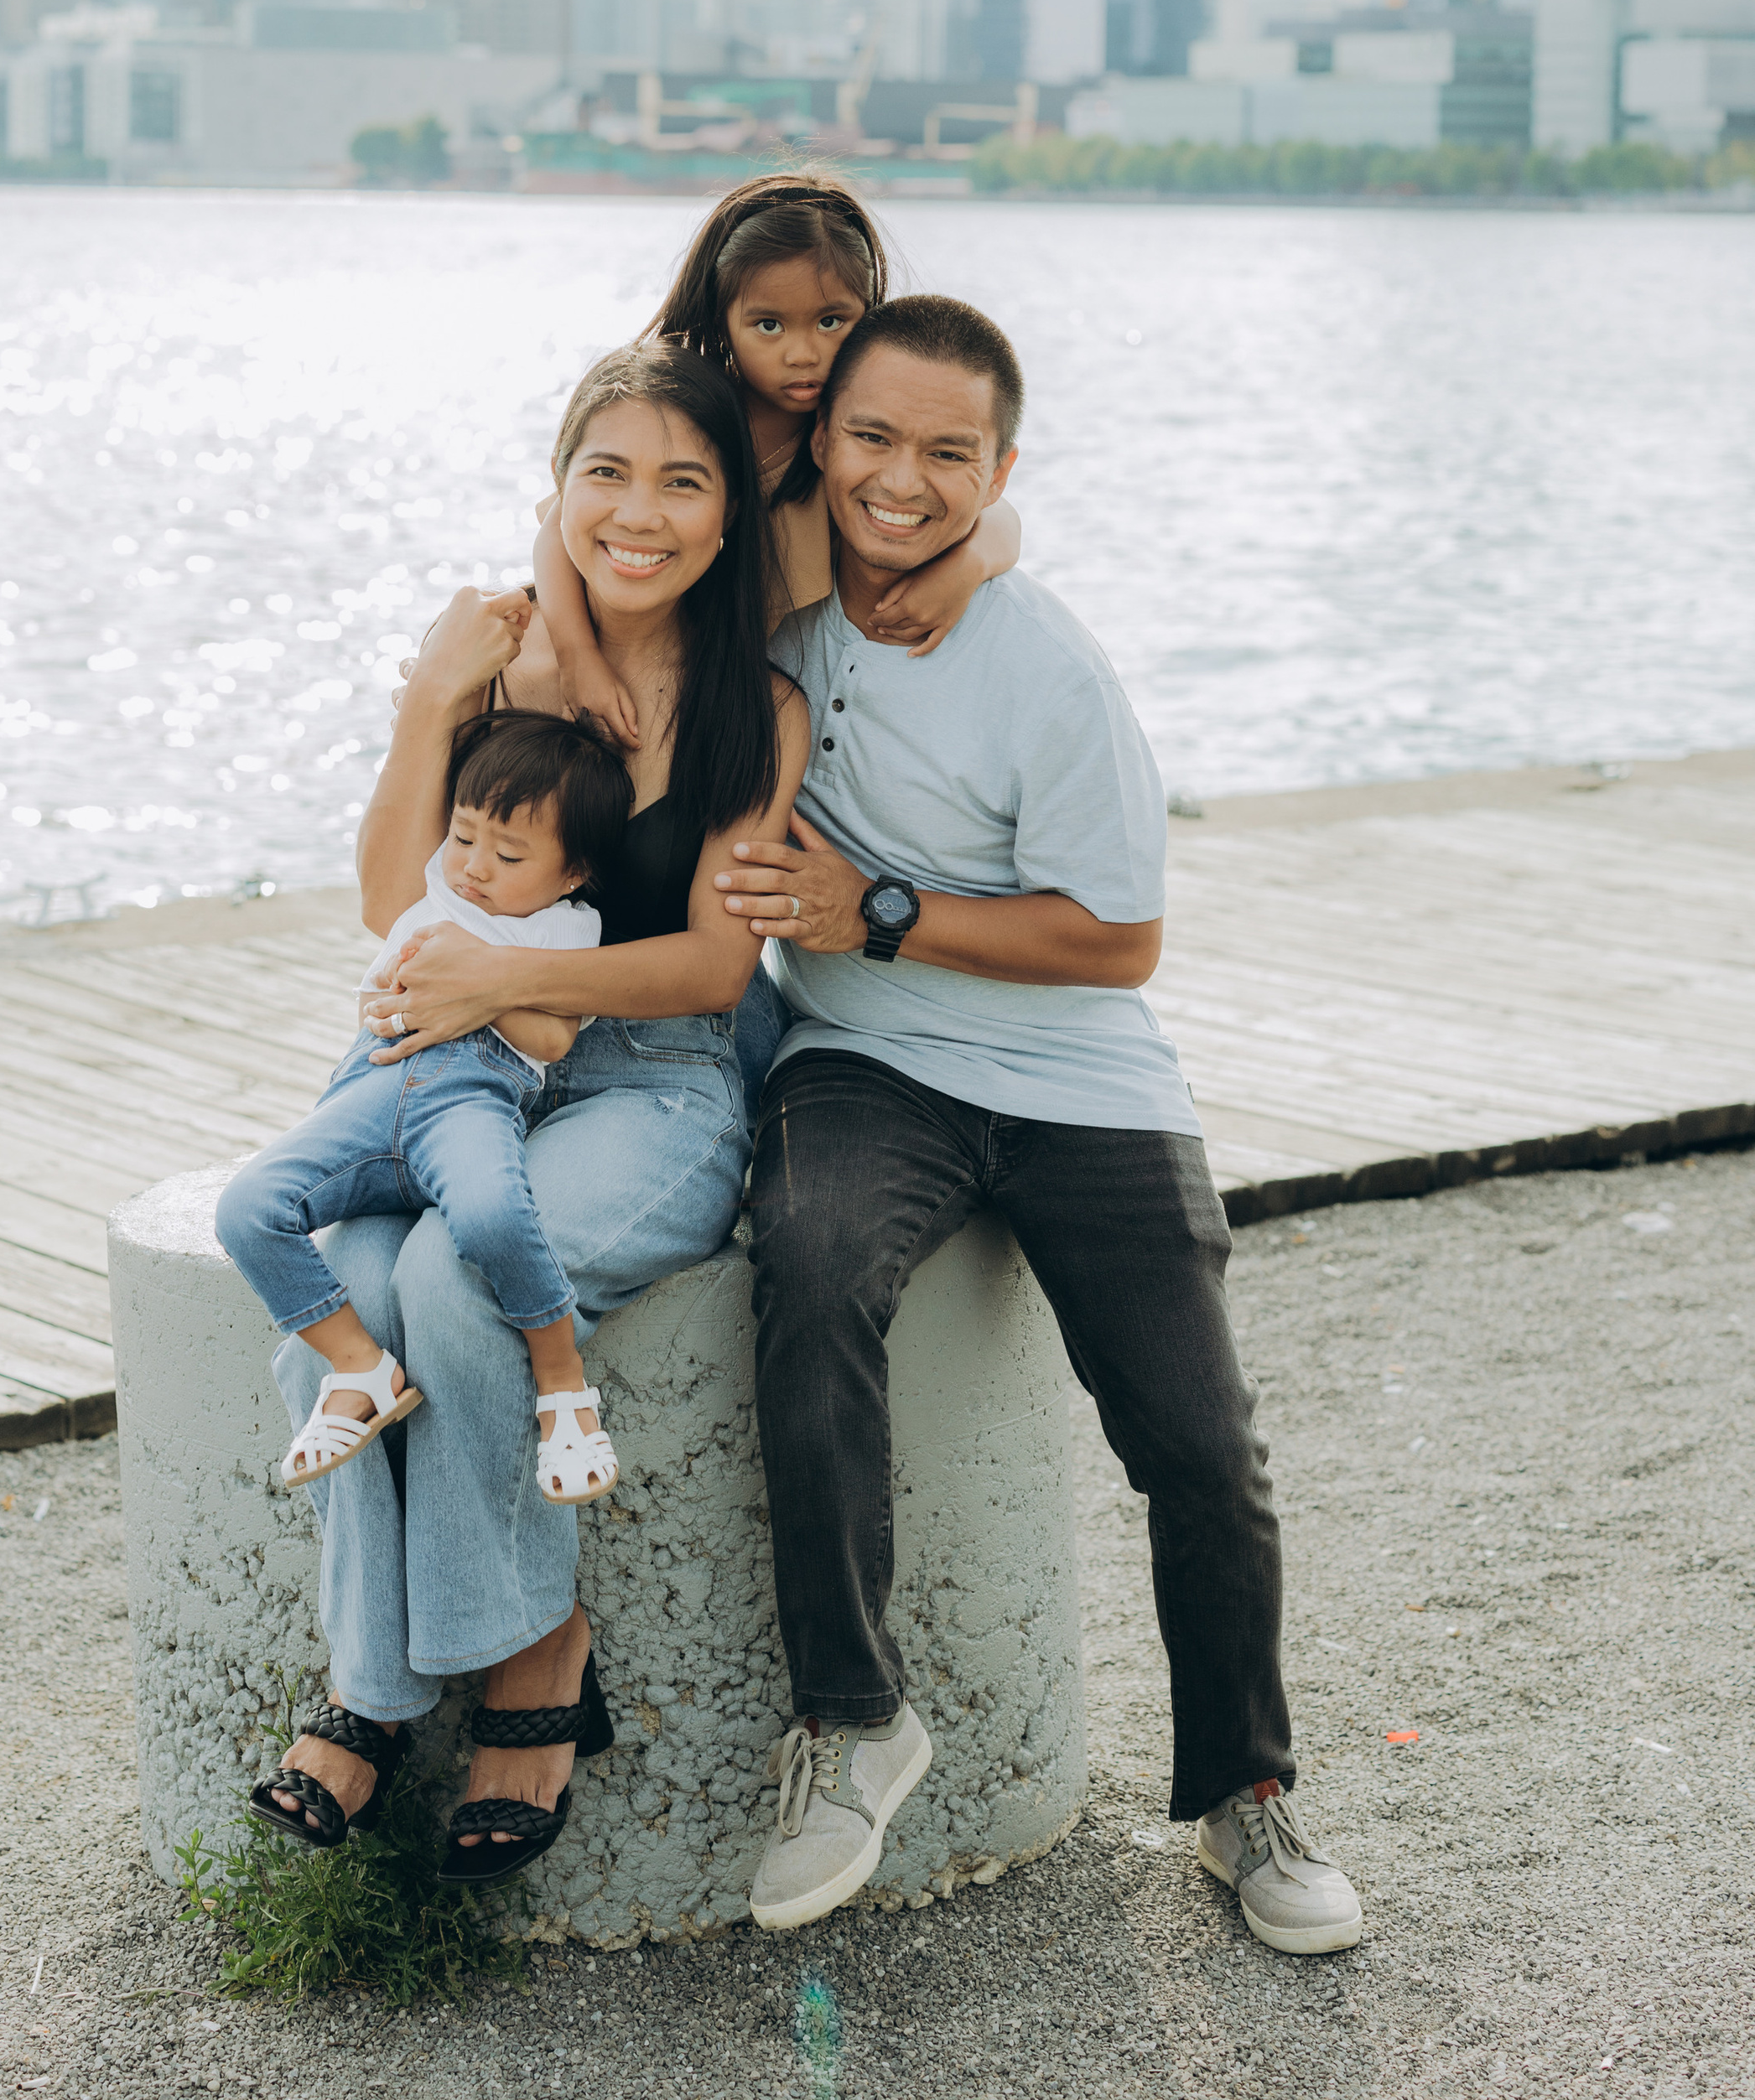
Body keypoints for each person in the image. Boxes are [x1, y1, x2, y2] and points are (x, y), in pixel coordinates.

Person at [721, 293, 1363, 1957]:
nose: (902, 482)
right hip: (861, 1063)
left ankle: (1245, 1798)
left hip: (1077, 1071)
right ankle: (852, 1721)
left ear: (1001, 468)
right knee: (802, 1263)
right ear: (821, 442)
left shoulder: (1046, 665)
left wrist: (873, 908)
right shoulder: (772, 607)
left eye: (949, 455)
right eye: (870, 438)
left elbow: (1116, 938)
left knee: (1199, 1445)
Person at [242, 340, 813, 1880]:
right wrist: (428, 703)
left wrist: (504, 983)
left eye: (684, 482)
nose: (640, 513)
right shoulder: (496, 661)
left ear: (726, 519)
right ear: (557, 492)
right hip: (449, 1057)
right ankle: (371, 1680)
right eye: (606, 474)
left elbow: (708, 965)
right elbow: (390, 898)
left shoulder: (756, 706)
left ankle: (537, 1651)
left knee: (453, 1272)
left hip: (658, 1076)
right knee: (349, 1279)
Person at [214, 710, 636, 1528]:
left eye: (509, 855)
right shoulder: (433, 889)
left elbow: (551, 1039)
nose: (475, 867)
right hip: (372, 1083)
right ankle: (358, 1369)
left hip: (468, 1094)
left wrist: (486, 981)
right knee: (248, 1207)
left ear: (572, 871)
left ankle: (562, 1387)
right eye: (465, 836)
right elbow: (380, 982)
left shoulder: (564, 931)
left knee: (492, 1213)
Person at [534, 172, 1023, 747]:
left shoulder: (858, 445)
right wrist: (577, 656)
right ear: (724, 321)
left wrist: (964, 570)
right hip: (619, 662)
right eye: (769, 325)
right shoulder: (686, 414)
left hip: (727, 698)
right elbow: (557, 529)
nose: (803, 353)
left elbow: (998, 514)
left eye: (831, 322)